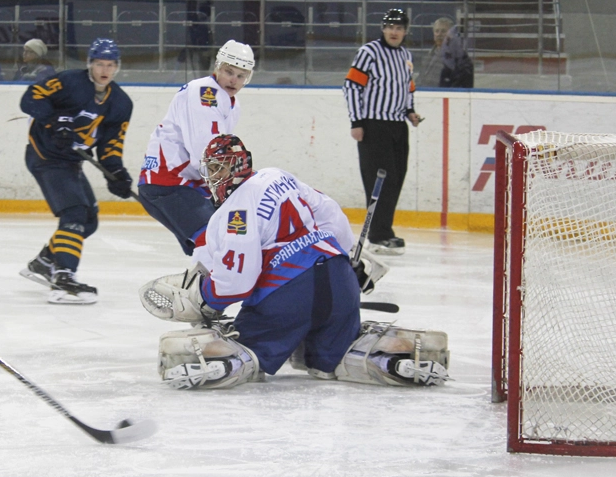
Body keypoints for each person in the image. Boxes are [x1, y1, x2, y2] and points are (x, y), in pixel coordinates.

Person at [138, 134, 450, 390]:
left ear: (236, 166)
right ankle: (388, 358)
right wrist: (348, 262)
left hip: (287, 297)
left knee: (245, 348)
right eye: (212, 169)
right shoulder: (278, 176)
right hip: (340, 283)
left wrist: (206, 299)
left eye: (219, 168)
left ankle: (222, 361)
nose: (215, 177)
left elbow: (237, 281)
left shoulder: (233, 212)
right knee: (334, 356)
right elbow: (331, 214)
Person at [17, 37, 135, 305]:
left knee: (88, 220)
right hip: (45, 156)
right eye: (100, 64)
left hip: (70, 162)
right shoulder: (69, 81)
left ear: (117, 67)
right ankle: (64, 276)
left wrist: (116, 173)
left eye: (110, 65)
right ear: (90, 64)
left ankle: (44, 262)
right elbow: (31, 97)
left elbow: (111, 145)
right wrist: (53, 120)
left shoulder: (121, 103)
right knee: (74, 213)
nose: (105, 70)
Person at [137, 40, 255, 256]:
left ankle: (203, 276)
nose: (233, 80)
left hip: (185, 183)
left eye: (241, 76)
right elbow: (205, 155)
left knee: (217, 243)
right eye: (229, 72)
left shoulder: (231, 102)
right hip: (169, 182)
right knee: (216, 242)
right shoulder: (205, 93)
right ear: (217, 67)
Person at [342, 8, 422, 255]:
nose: (394, 32)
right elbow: (351, 86)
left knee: (396, 179)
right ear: (383, 29)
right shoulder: (369, 53)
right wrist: (357, 122)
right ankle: (378, 235)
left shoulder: (406, 55)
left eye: (399, 28)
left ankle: (384, 230)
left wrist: (410, 111)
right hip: (374, 126)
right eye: (390, 27)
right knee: (379, 180)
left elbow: (407, 87)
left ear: (405, 31)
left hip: (398, 126)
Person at [416, 17, 474, 89]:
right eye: (437, 31)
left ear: (451, 35)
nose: (439, 34)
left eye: (443, 31)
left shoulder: (459, 58)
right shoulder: (429, 55)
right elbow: (420, 79)